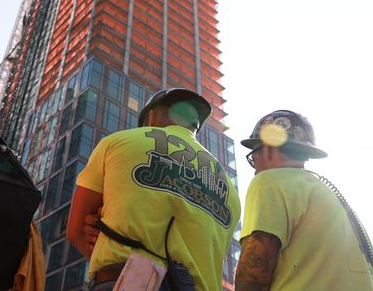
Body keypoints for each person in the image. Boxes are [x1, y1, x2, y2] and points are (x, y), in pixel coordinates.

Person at [67, 88, 241, 291]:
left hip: (128, 283)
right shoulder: (230, 191)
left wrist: (107, 248)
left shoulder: (117, 143)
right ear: (195, 127)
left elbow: (75, 231)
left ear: (150, 116)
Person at [235, 110, 373, 290]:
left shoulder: (270, 181)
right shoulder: (325, 196)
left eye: (253, 158)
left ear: (269, 148)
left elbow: (253, 275)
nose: (255, 170)